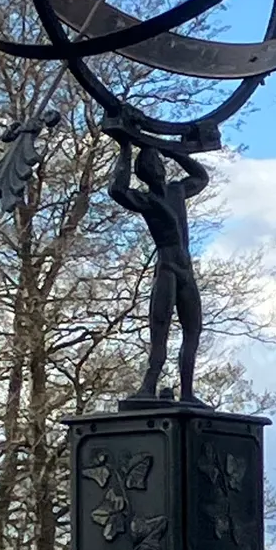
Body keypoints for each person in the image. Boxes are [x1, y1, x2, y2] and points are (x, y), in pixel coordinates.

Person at [108, 134, 211, 403]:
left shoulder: (177, 191)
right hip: (166, 268)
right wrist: (126, 148)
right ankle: (148, 387)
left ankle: (188, 392)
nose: (157, 168)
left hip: (185, 269)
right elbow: (117, 191)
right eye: (151, 165)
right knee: (160, 329)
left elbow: (201, 177)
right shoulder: (147, 200)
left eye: (158, 163)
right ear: (144, 173)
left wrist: (173, 150)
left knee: (193, 330)